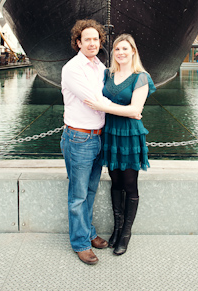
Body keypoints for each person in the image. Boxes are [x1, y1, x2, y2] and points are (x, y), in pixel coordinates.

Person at [84, 34, 155, 255]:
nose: (121, 53)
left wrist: (103, 106)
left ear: (133, 51)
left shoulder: (141, 77)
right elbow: (126, 109)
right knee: (115, 182)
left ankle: (126, 233)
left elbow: (135, 110)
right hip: (111, 133)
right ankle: (116, 229)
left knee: (130, 184)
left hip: (130, 136)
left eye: (125, 49)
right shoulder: (108, 74)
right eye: (117, 49)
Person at [60, 19, 110, 265]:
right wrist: (130, 108)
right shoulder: (72, 69)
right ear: (78, 42)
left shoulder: (100, 66)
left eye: (96, 39)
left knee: (90, 190)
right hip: (79, 138)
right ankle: (80, 242)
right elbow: (94, 99)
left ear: (100, 42)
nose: (92, 43)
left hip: (98, 136)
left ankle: (88, 233)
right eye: (87, 39)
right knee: (78, 194)